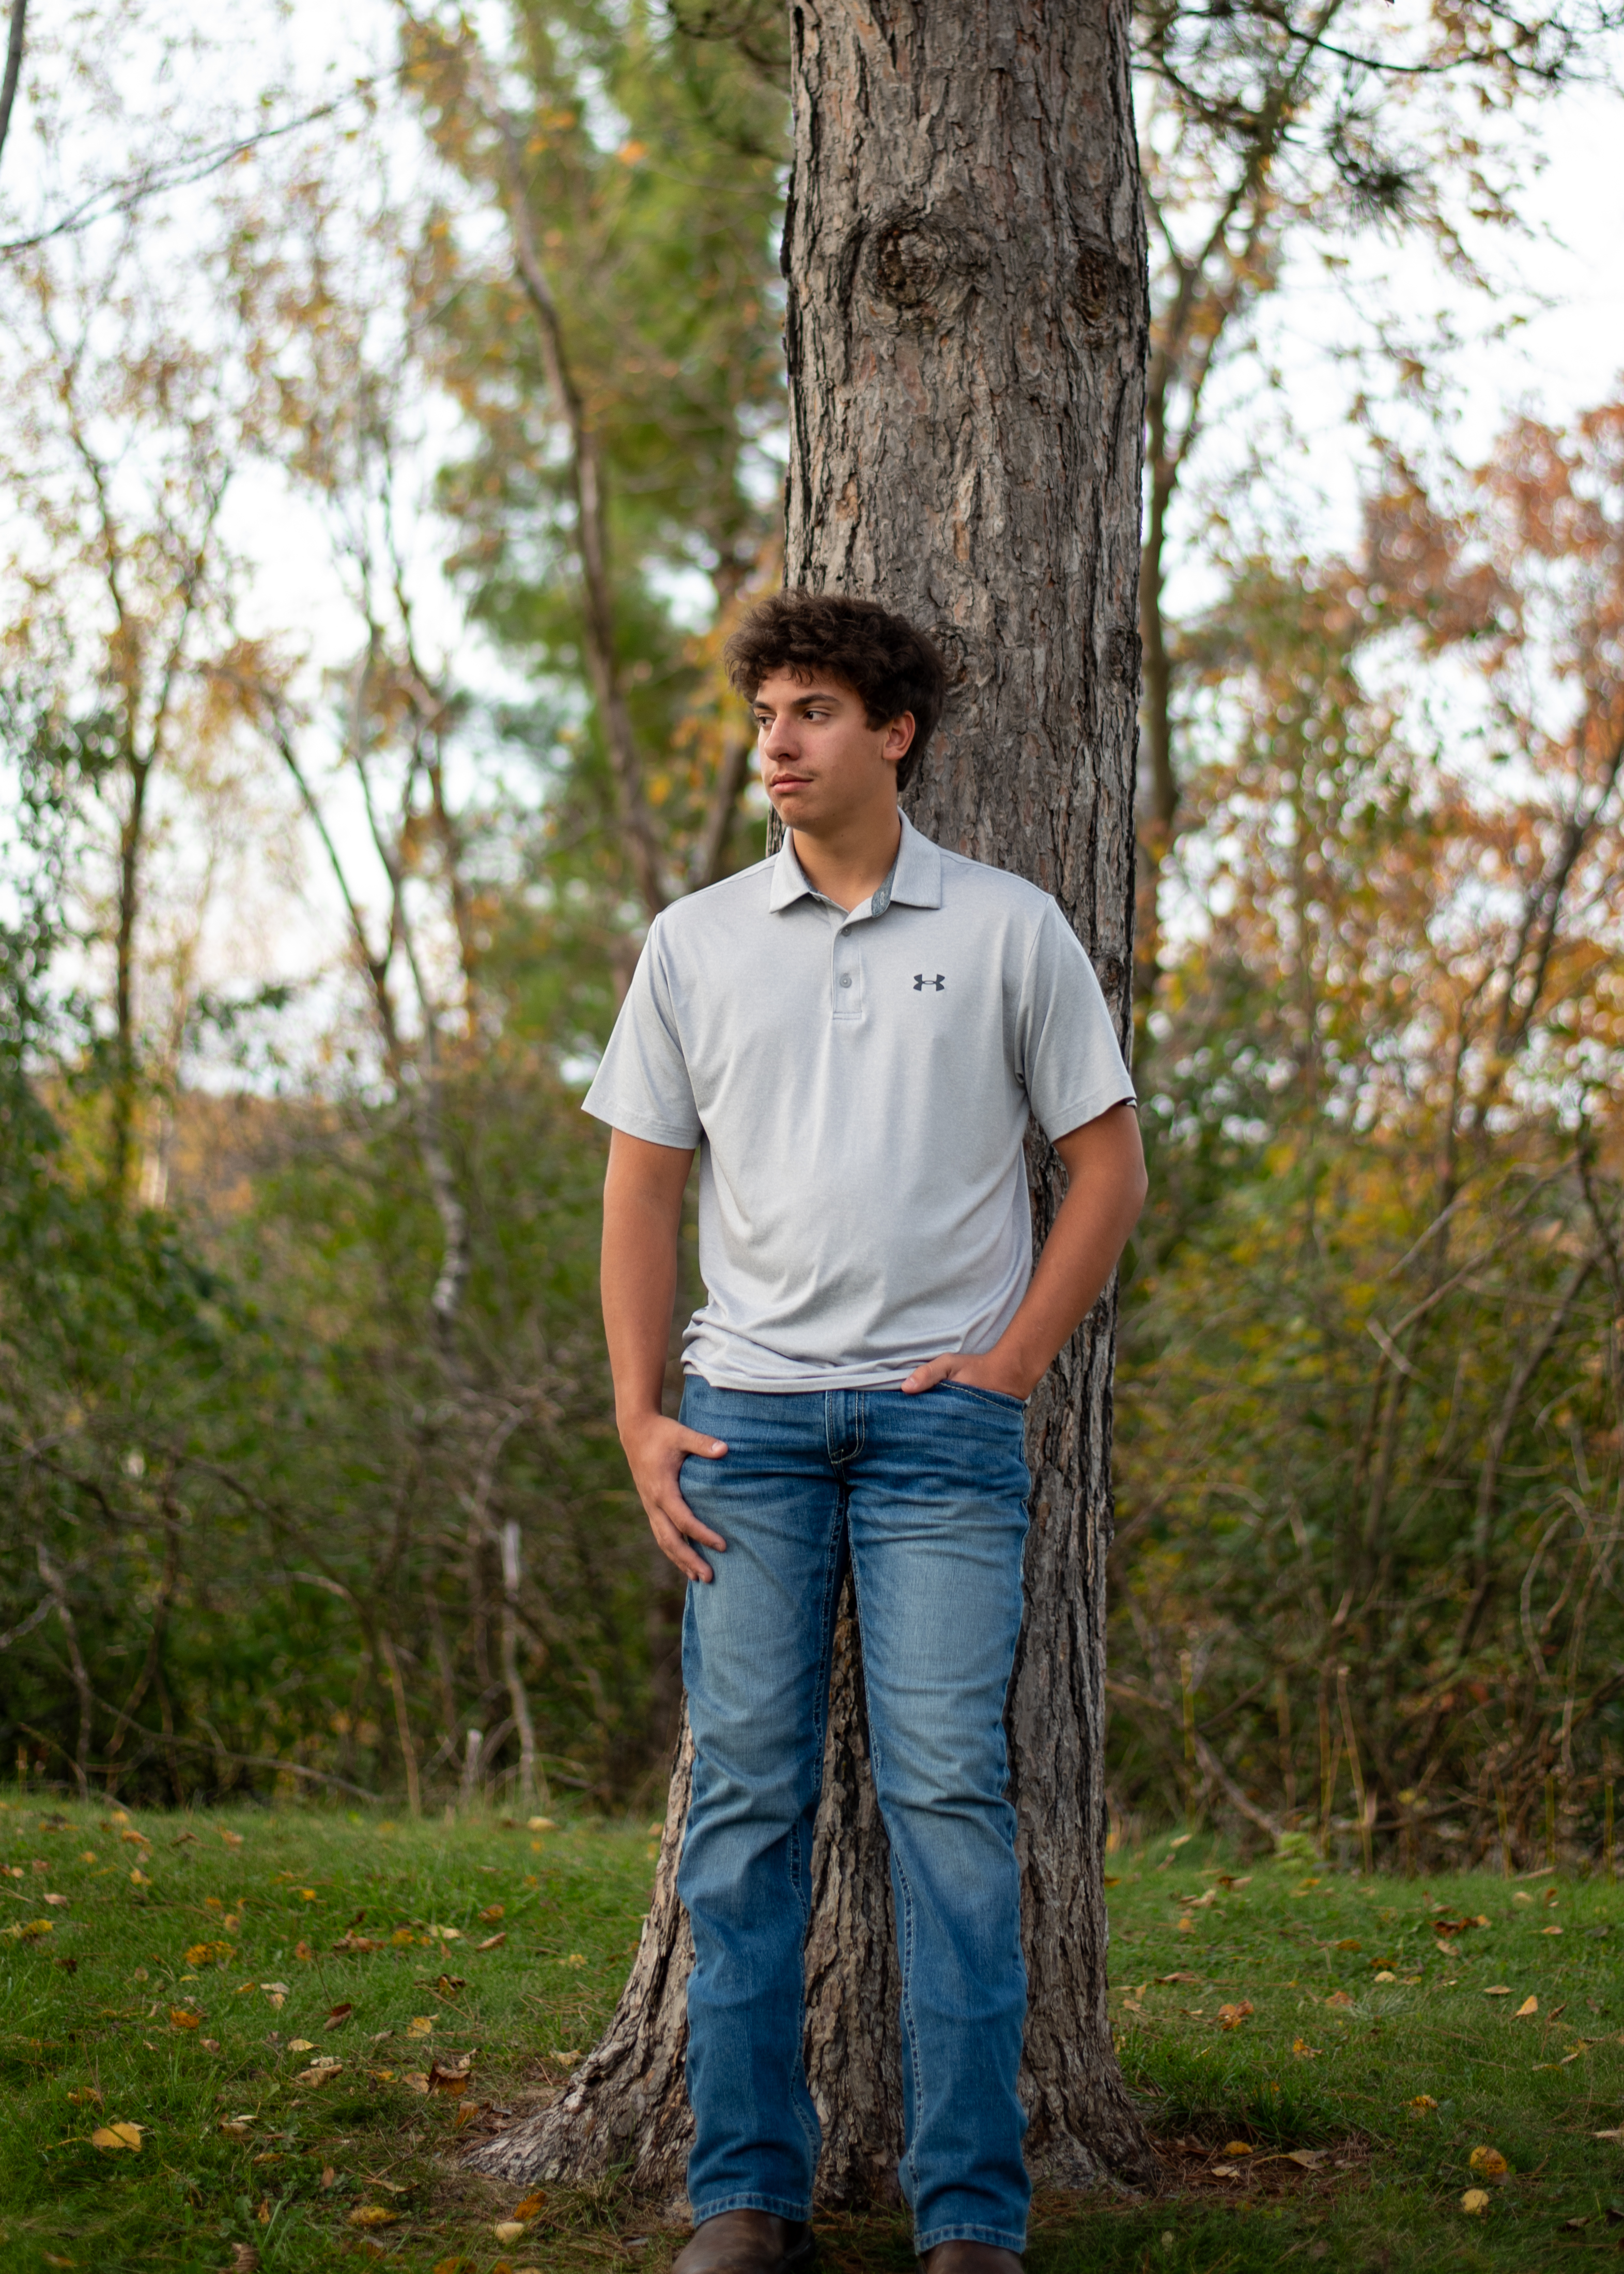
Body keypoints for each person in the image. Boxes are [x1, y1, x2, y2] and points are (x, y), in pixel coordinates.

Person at [583, 590, 1146, 2274]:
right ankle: (744, 2196)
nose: (778, 742)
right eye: (766, 714)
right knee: (746, 1809)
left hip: (937, 1444)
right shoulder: (695, 942)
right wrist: (639, 1419)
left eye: (814, 711)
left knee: (950, 1812)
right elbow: (640, 1190)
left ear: (894, 734)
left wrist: (1012, 1365)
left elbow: (1105, 1167)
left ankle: (971, 2216)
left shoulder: (1005, 928)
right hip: (743, 1427)